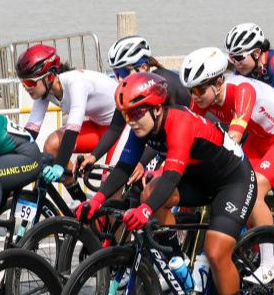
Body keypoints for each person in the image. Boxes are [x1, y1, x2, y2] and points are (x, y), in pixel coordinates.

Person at [74, 72, 255, 295]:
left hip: (233, 180)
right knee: (149, 191)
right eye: (126, 114)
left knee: (216, 252)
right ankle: (177, 260)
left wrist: (145, 210)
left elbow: (170, 177)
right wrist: (97, 201)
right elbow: (123, 168)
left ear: (157, 108)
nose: (131, 120)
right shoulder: (142, 126)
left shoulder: (180, 123)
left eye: (137, 112)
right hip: (199, 179)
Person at [181, 47, 274, 284]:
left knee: (254, 188)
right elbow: (189, 134)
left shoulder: (242, 90)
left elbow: (235, 136)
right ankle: (252, 240)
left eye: (199, 89)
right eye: (190, 90)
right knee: (233, 185)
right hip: (260, 140)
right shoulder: (202, 97)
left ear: (219, 82)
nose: (194, 95)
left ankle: (270, 265)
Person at [77, 35, 187, 178]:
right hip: (165, 143)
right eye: (116, 74)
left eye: (123, 72)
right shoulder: (133, 89)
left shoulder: (162, 86)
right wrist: (93, 157)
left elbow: (165, 133)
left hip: (186, 140)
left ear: (143, 67)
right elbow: (115, 128)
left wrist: (141, 162)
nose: (120, 79)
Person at [17, 44, 117, 200]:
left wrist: (58, 166)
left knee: (109, 189)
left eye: (29, 83)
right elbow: (30, 131)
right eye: (23, 84)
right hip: (97, 127)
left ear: (49, 77)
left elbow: (72, 130)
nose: (26, 88)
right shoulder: (44, 91)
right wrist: (10, 154)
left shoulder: (76, 83)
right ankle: (80, 204)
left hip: (118, 130)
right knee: (52, 144)